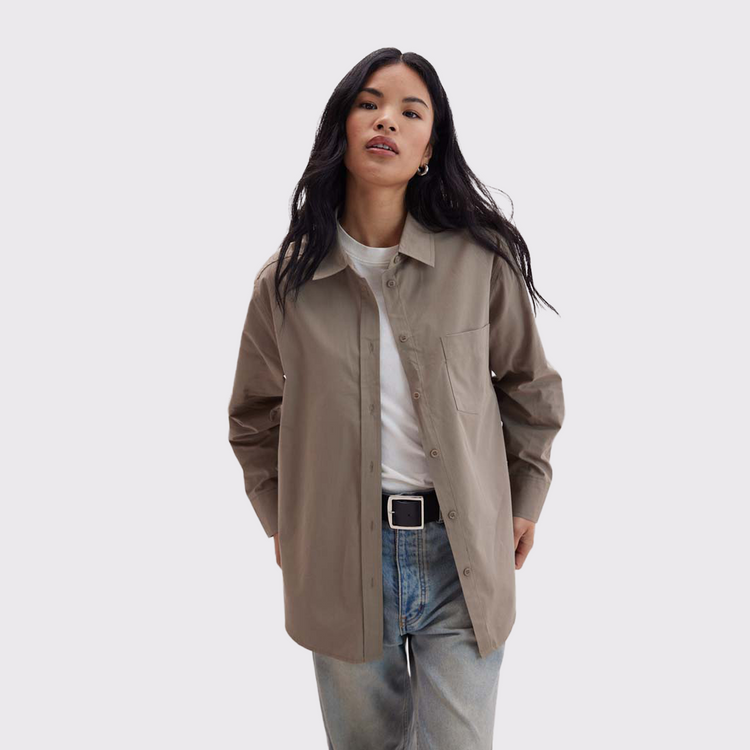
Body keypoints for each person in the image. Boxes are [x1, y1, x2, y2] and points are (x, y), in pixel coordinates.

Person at [227, 47, 565, 749]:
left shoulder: (480, 262)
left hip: (463, 553)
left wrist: (525, 497)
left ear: (428, 150)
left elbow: (530, 389)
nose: (387, 120)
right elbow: (253, 416)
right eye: (369, 104)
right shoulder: (284, 285)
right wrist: (281, 519)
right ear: (342, 129)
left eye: (412, 112)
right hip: (338, 557)